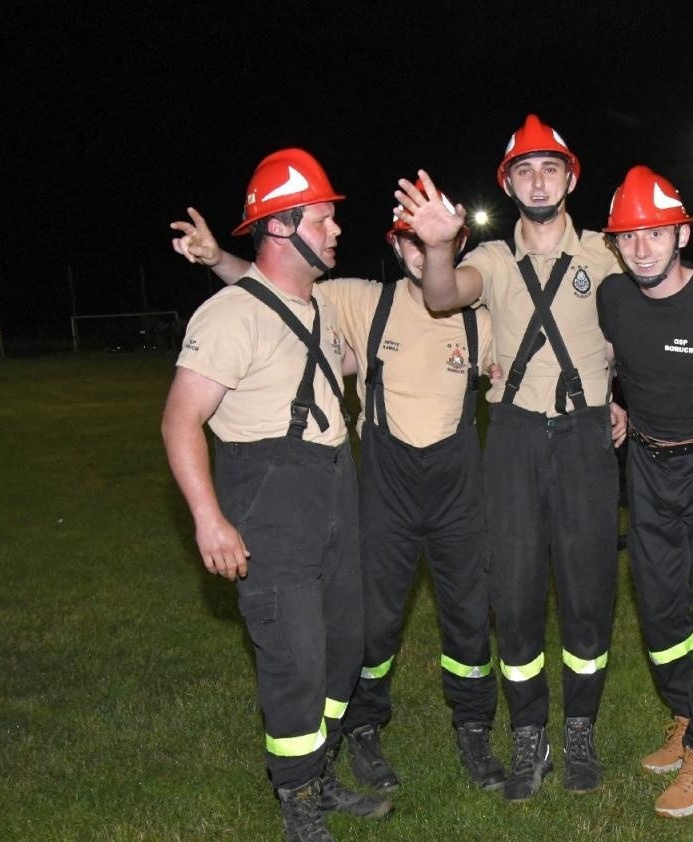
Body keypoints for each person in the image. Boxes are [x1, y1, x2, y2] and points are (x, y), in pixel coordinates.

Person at [394, 117, 693, 802]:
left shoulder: (608, 252)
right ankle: (530, 732)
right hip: (517, 437)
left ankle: (579, 728)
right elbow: (441, 295)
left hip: (588, 438)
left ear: (571, 178)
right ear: (508, 184)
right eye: (523, 171)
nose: (537, 180)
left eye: (549, 169)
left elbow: (666, 288)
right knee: (517, 594)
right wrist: (437, 245)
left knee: (588, 593)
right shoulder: (492, 260)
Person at [169, 203, 505, 794]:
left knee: (469, 616)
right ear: (398, 248)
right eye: (412, 245)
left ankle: (474, 726)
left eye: (437, 247)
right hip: (383, 488)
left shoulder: (481, 317)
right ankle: (364, 726)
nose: (424, 257)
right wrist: (219, 257)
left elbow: (548, 354)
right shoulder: (358, 300)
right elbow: (273, 291)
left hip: (457, 491)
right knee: (370, 623)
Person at [159, 149, 391, 842]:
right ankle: (298, 803)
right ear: (285, 225)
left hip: (332, 487)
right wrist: (209, 519)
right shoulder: (225, 315)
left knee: (342, 645)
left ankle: (316, 772)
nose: (335, 230)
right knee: (293, 658)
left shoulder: (308, 306)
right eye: (324, 219)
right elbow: (178, 421)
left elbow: (311, 350)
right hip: (270, 497)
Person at [595, 166, 693, 817]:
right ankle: (687, 715)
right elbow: (608, 355)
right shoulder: (613, 296)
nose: (641, 248)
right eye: (629, 236)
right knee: (660, 615)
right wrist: (612, 400)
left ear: (682, 232)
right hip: (648, 467)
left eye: (655, 233)